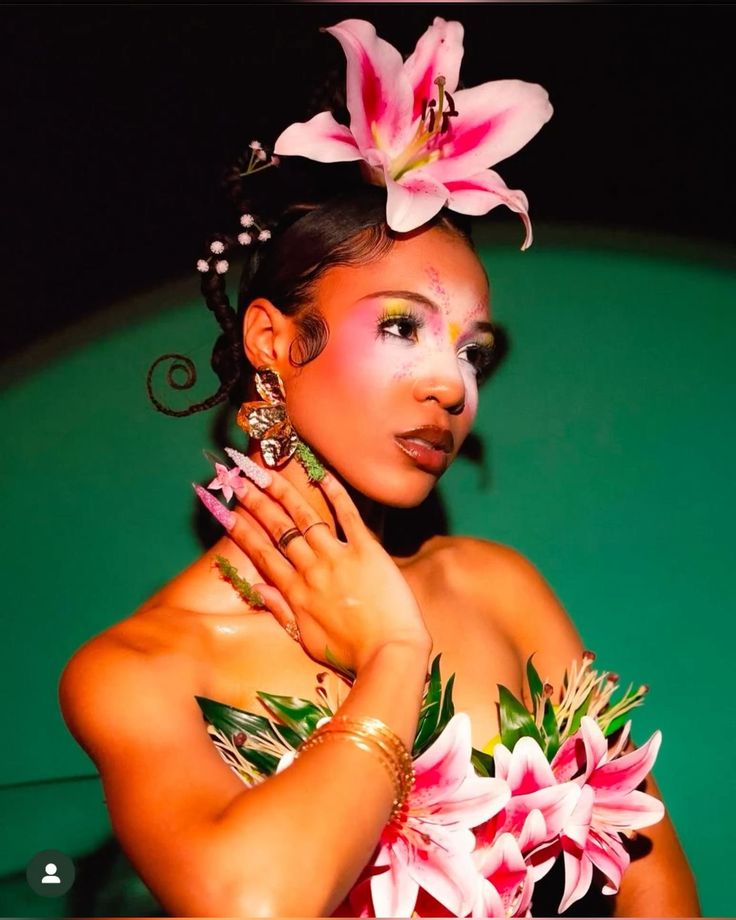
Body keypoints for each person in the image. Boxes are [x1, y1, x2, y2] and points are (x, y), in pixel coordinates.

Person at [58, 16, 700, 919]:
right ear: (273, 341)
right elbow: (254, 903)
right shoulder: (137, 670)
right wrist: (393, 656)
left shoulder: (495, 587)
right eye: (401, 326)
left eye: (472, 352)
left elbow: (658, 884)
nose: (451, 384)